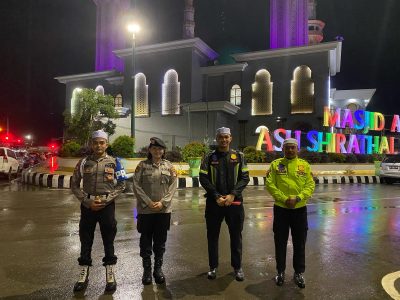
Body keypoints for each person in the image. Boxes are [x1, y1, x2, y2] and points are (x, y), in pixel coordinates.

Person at [71, 130, 126, 293]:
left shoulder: (116, 162)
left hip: (107, 206)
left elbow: (122, 185)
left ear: (106, 144)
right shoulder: (83, 162)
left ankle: (110, 273)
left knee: (108, 238)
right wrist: (87, 201)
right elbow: (74, 185)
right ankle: (84, 272)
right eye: (95, 142)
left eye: (102, 142)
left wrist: (106, 200)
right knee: (85, 238)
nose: (98, 145)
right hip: (88, 206)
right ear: (91, 144)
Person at [199, 127, 250, 281]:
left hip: (234, 203)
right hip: (215, 204)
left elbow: (245, 178)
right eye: (221, 137)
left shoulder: (239, 156)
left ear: (230, 138)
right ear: (217, 138)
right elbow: (203, 178)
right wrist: (216, 196)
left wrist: (232, 195)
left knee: (236, 236)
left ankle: (237, 267)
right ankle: (213, 267)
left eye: (226, 137)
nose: (223, 140)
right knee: (212, 237)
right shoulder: (209, 157)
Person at [266, 138, 315, 288]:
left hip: (299, 210)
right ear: (283, 149)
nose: (290, 150)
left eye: (293, 148)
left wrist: (298, 198)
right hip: (281, 209)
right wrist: (284, 198)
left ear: (297, 149)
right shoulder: (275, 165)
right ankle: (280, 272)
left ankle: (299, 273)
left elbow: (310, 184)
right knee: (280, 242)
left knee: (299, 242)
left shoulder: (304, 165)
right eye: (287, 148)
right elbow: (270, 184)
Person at [132, 137, 177, 285]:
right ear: (150, 150)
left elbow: (172, 187)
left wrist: (163, 203)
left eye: (160, 149)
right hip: (146, 211)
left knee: (160, 241)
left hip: (163, 211)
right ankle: (146, 270)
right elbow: (136, 186)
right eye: (154, 149)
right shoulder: (142, 166)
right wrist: (149, 203)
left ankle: (158, 269)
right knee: (145, 240)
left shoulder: (169, 166)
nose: (157, 151)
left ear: (163, 151)